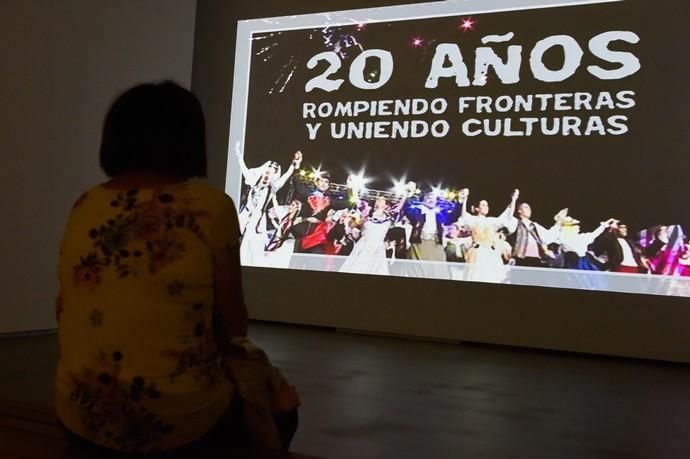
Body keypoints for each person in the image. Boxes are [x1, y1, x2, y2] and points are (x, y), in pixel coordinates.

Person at [55, 82, 298, 455]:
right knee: (282, 409)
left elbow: (64, 308)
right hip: (182, 417)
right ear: (189, 139)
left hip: (84, 411)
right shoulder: (210, 206)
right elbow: (234, 323)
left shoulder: (85, 203)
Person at [236, 145, 301, 265]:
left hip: (258, 222)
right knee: (242, 245)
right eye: (267, 172)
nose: (267, 176)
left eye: (271, 174)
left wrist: (293, 164)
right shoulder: (253, 181)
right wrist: (238, 154)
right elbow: (243, 168)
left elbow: (286, 176)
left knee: (255, 247)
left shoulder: (273, 187)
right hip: (245, 217)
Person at [340, 196, 404, 275]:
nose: (378, 201)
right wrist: (349, 220)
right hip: (363, 245)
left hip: (377, 247)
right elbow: (354, 226)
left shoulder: (389, 220)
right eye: (377, 200)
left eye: (381, 200)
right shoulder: (367, 217)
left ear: (386, 205)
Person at [509, 202, 562, 267]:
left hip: (537, 259)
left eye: (529, 208)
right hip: (521, 258)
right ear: (519, 210)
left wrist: (558, 222)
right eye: (526, 207)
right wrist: (514, 199)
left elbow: (548, 236)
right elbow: (508, 217)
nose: (529, 210)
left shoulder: (535, 225)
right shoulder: (515, 223)